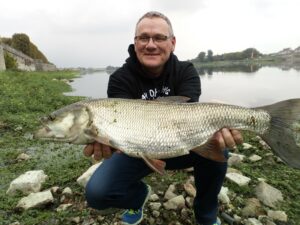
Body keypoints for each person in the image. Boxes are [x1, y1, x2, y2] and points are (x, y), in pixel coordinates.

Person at [84, 11, 243, 225]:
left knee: (219, 145)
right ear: (135, 42)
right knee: (97, 193)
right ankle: (138, 197)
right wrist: (106, 140)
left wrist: (220, 118)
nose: (151, 44)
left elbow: (191, 119)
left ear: (173, 42)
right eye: (144, 38)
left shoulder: (186, 71)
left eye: (159, 38)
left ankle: (206, 215)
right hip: (137, 149)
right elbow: (117, 128)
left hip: (182, 142)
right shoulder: (120, 79)